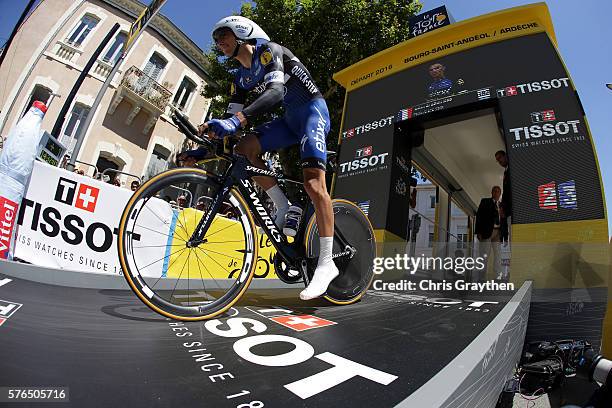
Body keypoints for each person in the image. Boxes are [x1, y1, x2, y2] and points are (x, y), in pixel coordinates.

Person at [199, 16, 336, 300]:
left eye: (223, 35)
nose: (219, 42)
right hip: (289, 121)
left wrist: (237, 120)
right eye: (215, 39)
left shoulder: (269, 50)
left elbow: (275, 92)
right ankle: (284, 205)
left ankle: (327, 262)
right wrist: (200, 151)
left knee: (314, 186)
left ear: (241, 32)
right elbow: (229, 124)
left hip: (313, 113)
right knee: (243, 148)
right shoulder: (239, 78)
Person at [475, 186, 504, 281]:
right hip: (486, 232)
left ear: (500, 194)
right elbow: (479, 216)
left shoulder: (501, 205)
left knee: (498, 255)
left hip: (498, 232)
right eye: (495, 191)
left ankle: (497, 277)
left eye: (498, 192)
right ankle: (481, 278)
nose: (496, 193)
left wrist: (505, 235)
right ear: (492, 193)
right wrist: (478, 231)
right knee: (484, 255)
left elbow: (503, 220)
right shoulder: (485, 201)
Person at [495, 150, 511, 243]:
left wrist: (504, 206)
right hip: (507, 210)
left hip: (513, 209)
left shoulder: (512, 169)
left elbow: (508, 191)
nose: (499, 162)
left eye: (500, 158)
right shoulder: (506, 172)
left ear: (505, 156)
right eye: (497, 160)